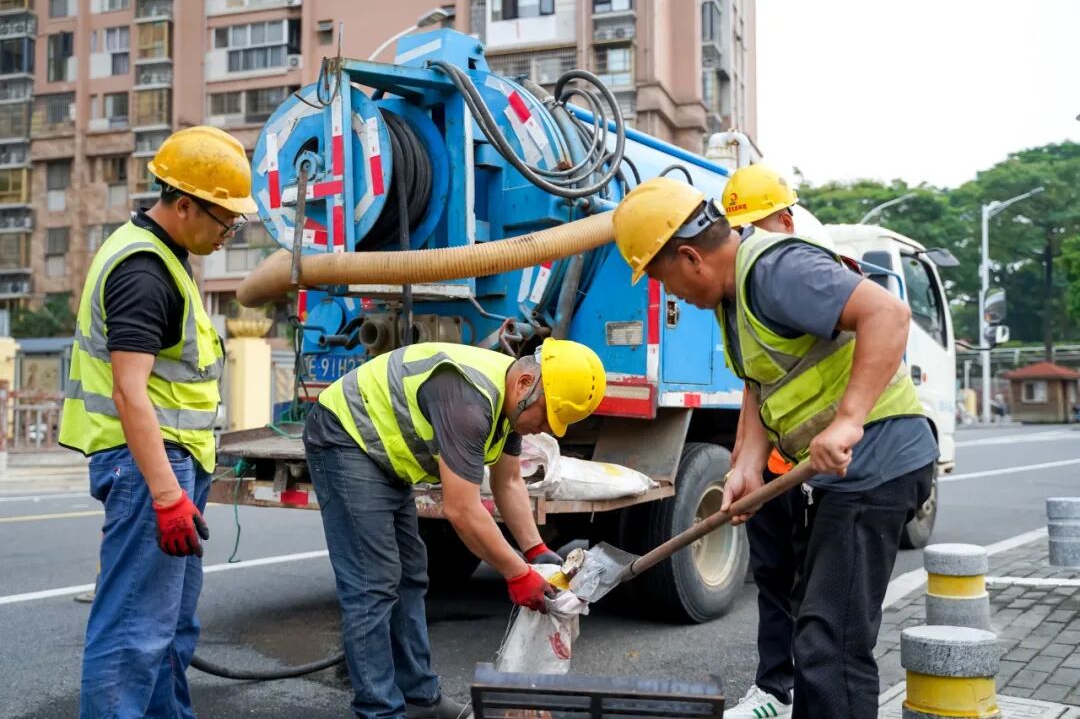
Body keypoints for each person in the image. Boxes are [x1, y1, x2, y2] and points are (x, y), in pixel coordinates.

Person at [612, 176, 936, 719]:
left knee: (830, 642)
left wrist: (849, 420)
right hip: (846, 473)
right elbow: (765, 384)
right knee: (815, 628)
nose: (672, 297)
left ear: (691, 257)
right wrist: (746, 467)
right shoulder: (732, 298)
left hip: (878, 459)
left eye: (664, 280)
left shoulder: (774, 268)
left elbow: (888, 314)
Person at [59, 125, 255, 719]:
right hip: (149, 467)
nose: (229, 233)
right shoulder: (144, 271)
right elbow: (129, 391)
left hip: (168, 463)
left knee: (169, 626)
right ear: (184, 204)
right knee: (135, 629)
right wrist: (168, 497)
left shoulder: (167, 257)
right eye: (225, 221)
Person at [304, 339, 606, 719]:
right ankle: (378, 711)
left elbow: (509, 482)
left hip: (381, 454)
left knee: (410, 577)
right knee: (373, 584)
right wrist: (517, 574)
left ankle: (419, 700)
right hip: (345, 439)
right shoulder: (470, 400)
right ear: (527, 382)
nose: (544, 428)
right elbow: (462, 509)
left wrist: (536, 551)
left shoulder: (513, 401)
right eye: (547, 417)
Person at [722, 164, 822, 718]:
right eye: (741, 232)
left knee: (816, 593)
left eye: (757, 227)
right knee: (772, 580)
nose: (748, 243)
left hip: (821, 469)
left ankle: (810, 691)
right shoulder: (745, 295)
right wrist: (744, 462)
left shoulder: (806, 274)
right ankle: (773, 691)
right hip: (776, 469)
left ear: (786, 219)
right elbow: (754, 387)